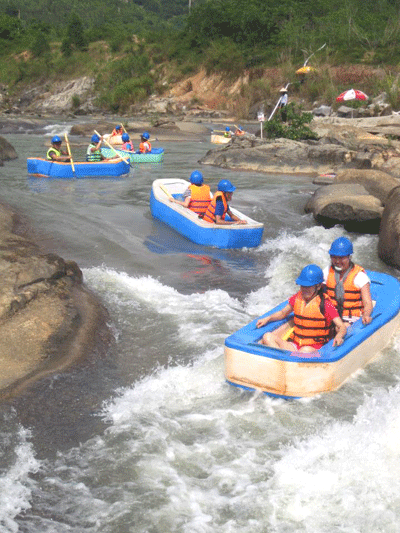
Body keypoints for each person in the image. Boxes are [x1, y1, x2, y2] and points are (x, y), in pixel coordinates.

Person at [257, 264, 347, 353]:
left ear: (318, 286)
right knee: (267, 337)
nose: (305, 289)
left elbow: (341, 326)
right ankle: (282, 359)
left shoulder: (326, 304)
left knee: (305, 350)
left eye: (308, 286)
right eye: (303, 286)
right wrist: (267, 318)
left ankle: (284, 360)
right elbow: (282, 313)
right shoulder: (297, 298)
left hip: (314, 349)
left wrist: (339, 336)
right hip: (295, 346)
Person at [324, 237, 373, 326]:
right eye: (334, 257)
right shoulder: (327, 271)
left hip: (351, 319)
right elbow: (317, 294)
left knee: (342, 327)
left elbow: (367, 302)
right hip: (333, 317)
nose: (337, 261)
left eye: (341, 258)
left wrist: (366, 315)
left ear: (349, 257)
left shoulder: (360, 277)